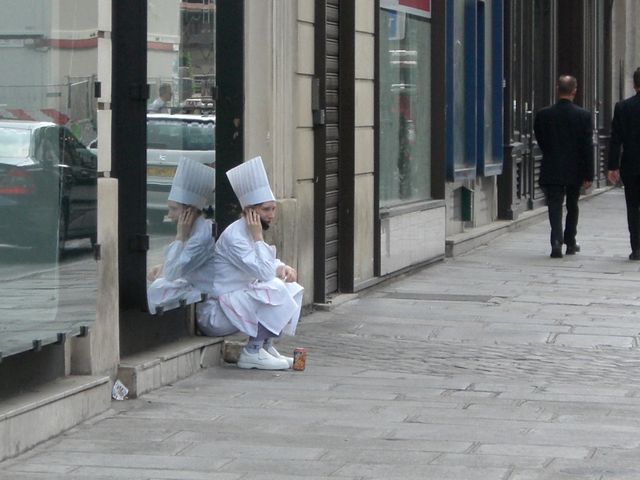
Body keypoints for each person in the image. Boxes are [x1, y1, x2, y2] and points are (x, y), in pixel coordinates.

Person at [196, 156, 304, 370]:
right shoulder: (236, 237)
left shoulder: (247, 232)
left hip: (235, 303)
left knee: (289, 286)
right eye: (266, 210)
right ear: (249, 211)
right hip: (217, 312)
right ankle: (252, 351)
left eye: (273, 209)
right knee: (273, 288)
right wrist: (258, 237)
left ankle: (265, 344)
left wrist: (282, 268)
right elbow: (263, 272)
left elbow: (265, 265)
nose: (271, 215)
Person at [533, 75, 593, 258]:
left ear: (557, 89)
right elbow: (587, 146)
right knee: (573, 204)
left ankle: (556, 241)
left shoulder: (543, 115)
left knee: (555, 204)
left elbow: (540, 139)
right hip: (575, 168)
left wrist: (551, 152)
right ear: (575, 91)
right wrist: (589, 174)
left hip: (552, 165)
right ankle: (570, 241)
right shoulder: (583, 116)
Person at [147, 158, 216, 314]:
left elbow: (172, 273)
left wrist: (179, 236)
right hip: (194, 288)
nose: (169, 215)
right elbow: (175, 266)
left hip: (207, 301)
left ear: (188, 212)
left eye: (173, 209)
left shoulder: (201, 237)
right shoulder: (196, 231)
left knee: (158, 288)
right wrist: (162, 268)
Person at [607, 68, 640, 261]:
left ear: (634, 85)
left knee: (633, 207)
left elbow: (615, 139)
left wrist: (612, 166)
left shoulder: (622, 107)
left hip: (631, 165)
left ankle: (636, 247)